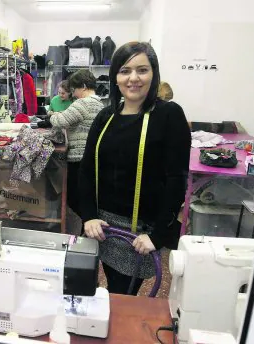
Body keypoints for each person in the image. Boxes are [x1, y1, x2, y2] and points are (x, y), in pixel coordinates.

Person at [78, 42, 191, 295]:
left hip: (139, 232)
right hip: (99, 227)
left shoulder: (169, 115)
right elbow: (86, 170)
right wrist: (88, 216)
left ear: (154, 74)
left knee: (121, 295)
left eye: (142, 70)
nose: (133, 78)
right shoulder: (105, 116)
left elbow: (176, 180)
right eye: (125, 70)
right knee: (86, 288)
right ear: (115, 77)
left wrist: (159, 235)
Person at [48, 69, 104, 221]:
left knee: (74, 198)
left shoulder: (83, 103)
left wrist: (52, 115)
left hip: (79, 157)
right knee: (85, 196)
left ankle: (90, 226)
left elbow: (60, 121)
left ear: (84, 86)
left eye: (74, 90)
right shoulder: (99, 104)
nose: (73, 94)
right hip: (91, 156)